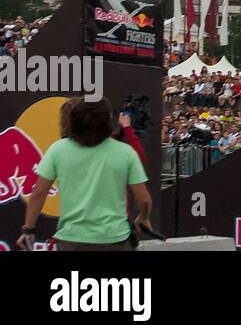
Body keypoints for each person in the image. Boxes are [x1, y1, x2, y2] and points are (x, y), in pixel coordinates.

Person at [19, 98, 151, 251]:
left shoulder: (58, 149)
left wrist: (29, 229)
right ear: (108, 120)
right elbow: (143, 199)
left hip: (71, 240)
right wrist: (143, 217)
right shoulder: (126, 152)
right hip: (115, 240)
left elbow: (38, 192)